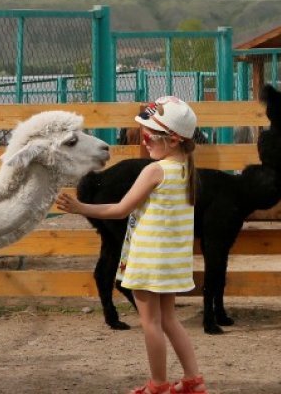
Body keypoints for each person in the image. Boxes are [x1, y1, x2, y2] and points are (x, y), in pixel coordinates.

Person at [56, 96, 208, 394]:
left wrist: (80, 207)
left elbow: (120, 210)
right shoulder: (187, 172)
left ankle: (158, 385)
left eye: (149, 135)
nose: (144, 140)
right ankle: (193, 380)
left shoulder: (154, 171)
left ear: (174, 140)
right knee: (169, 320)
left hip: (148, 260)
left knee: (150, 323)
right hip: (171, 261)